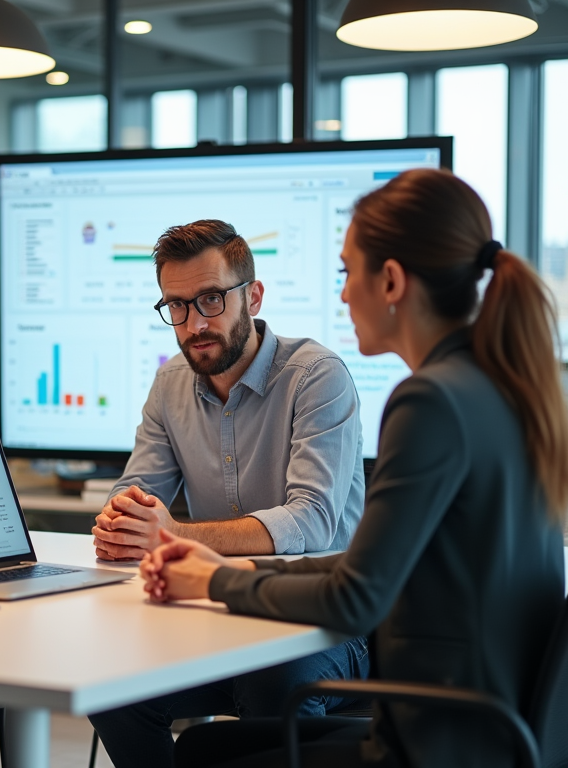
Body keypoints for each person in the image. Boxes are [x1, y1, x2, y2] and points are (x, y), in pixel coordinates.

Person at [143, 169, 568, 768]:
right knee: (208, 743)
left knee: (201, 756)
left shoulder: (431, 402)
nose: (342, 295)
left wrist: (212, 582)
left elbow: (356, 601)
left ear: (390, 280)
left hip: (435, 743)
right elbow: (373, 561)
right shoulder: (499, 385)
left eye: (347, 273)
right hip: (494, 730)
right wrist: (224, 564)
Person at [88, 219, 369, 768]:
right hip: (217, 616)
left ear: (253, 295)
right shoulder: (171, 384)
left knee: (274, 685)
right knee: (113, 689)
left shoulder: (316, 376)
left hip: (324, 622)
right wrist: (123, 521)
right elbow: (135, 492)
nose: (195, 323)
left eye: (211, 300)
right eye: (178, 306)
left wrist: (171, 533)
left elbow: (310, 521)